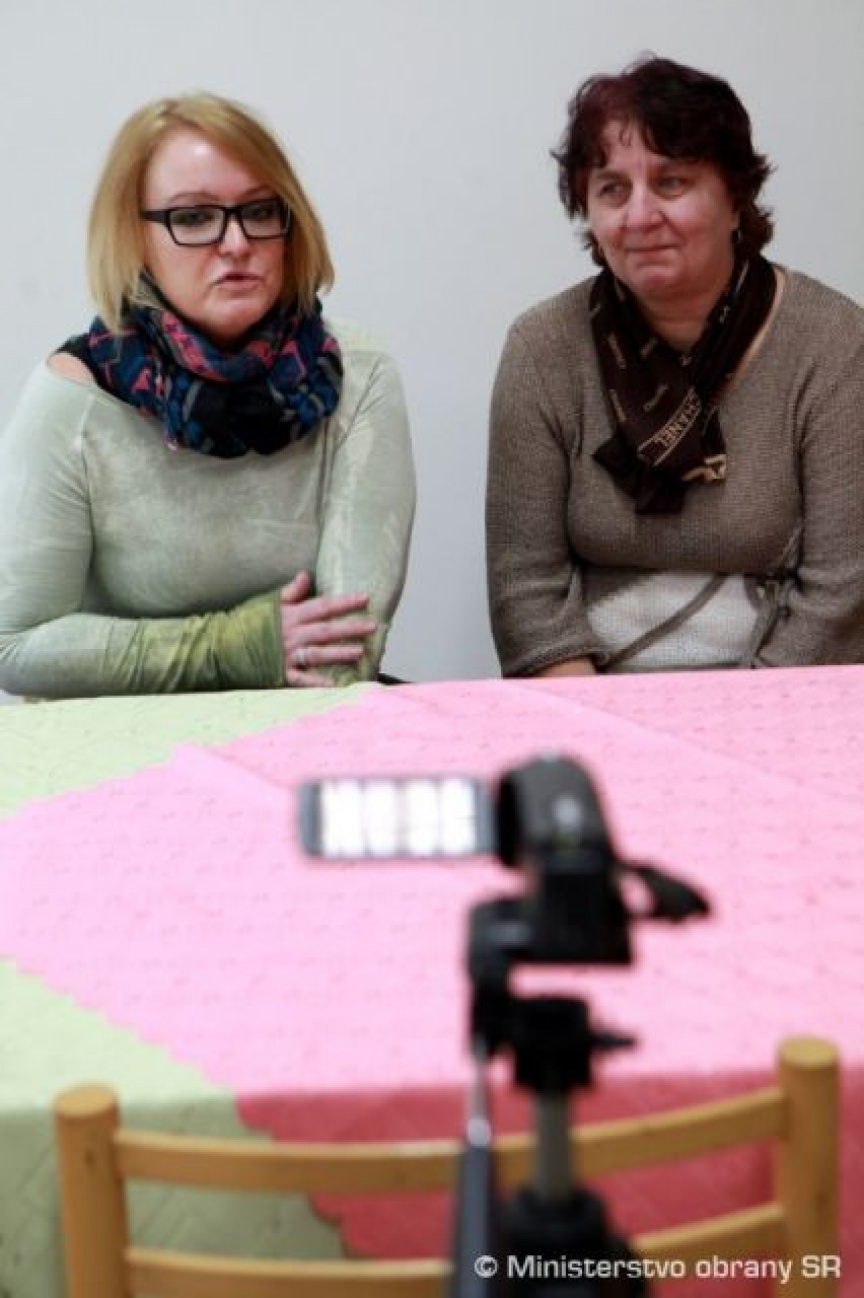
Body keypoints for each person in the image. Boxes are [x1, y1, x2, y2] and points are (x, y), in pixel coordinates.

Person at [0, 93, 414, 698]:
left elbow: (344, 651)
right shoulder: (71, 401)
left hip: (302, 722)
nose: (237, 242)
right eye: (193, 218)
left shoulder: (359, 375)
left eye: (260, 211)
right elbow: (15, 643)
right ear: (134, 238)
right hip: (112, 738)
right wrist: (239, 646)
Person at [486, 56, 864, 676]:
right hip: (589, 700)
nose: (639, 216)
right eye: (612, 189)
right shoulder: (541, 348)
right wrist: (597, 720)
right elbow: (526, 590)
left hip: (785, 701)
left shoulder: (835, 343)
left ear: (735, 199)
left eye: (671, 183)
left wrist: (740, 724)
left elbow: (842, 593)